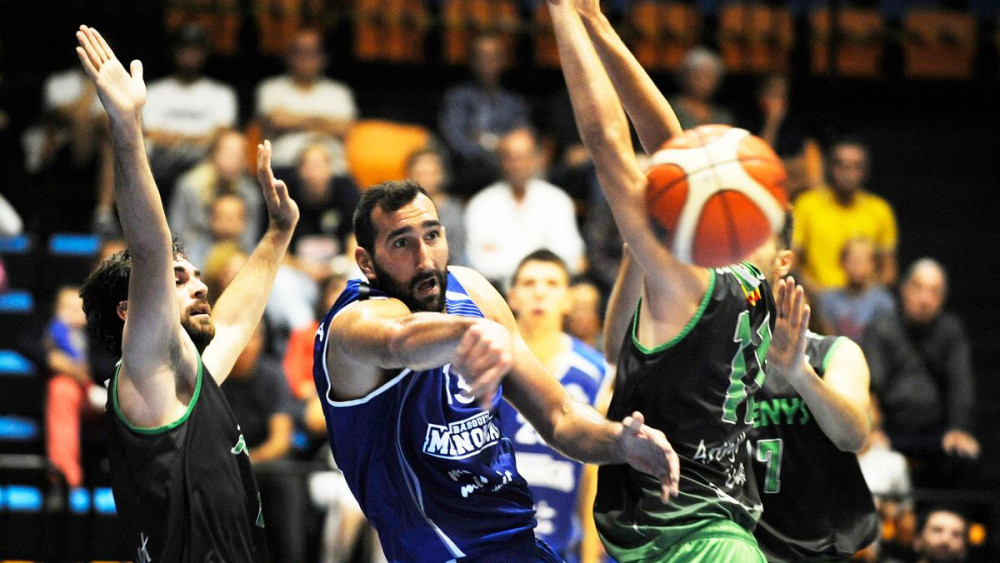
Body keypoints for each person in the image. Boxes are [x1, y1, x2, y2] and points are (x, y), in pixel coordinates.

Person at [312, 179, 680, 561]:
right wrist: (472, 332)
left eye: (432, 235)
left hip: (522, 545)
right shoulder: (353, 323)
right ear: (366, 262)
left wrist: (619, 442)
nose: (424, 259)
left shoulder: (472, 291)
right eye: (402, 243)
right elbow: (400, 340)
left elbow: (560, 416)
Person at [550, 1, 799, 559]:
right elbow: (669, 145)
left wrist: (563, 10)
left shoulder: (693, 281)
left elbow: (609, 146)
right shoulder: (751, 283)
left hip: (693, 531)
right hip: (713, 524)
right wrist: (597, 21)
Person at [74, 26, 298, 561]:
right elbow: (149, 249)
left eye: (195, 275)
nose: (198, 285)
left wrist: (277, 232)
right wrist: (127, 129)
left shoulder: (187, 382)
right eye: (180, 280)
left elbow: (238, 322)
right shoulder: (145, 367)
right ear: (131, 311)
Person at [743, 219, 879, 561]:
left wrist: (799, 373)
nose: (737, 251)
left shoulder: (835, 352)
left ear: (782, 261)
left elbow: (854, 436)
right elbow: (615, 348)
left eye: (751, 239)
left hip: (813, 547)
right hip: (735, 544)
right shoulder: (708, 354)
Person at [500, 250, 609, 563]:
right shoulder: (487, 364)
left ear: (566, 300)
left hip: (562, 547)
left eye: (551, 283)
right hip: (497, 543)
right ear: (512, 297)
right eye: (529, 282)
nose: (540, 291)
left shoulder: (596, 373)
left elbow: (594, 479)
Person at [862, 259, 980, 487]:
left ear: (942, 298)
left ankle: (949, 520)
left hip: (936, 432)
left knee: (966, 457)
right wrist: (873, 429)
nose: (925, 299)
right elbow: (870, 387)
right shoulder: (881, 328)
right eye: (918, 288)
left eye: (934, 292)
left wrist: (959, 428)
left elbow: (961, 385)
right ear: (904, 289)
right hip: (889, 431)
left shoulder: (951, 331)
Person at [464, 127, 585, 285]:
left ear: (534, 159)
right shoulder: (481, 204)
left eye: (523, 157)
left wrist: (506, 255)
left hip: (550, 289)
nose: (517, 164)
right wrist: (535, 257)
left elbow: (571, 255)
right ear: (502, 161)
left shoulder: (557, 200)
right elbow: (477, 260)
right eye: (510, 157)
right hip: (497, 291)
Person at [143, 24, 238, 202]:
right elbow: (150, 133)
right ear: (174, 52)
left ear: (205, 53)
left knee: (228, 150)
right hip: (160, 160)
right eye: (184, 49)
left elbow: (222, 134)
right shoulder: (154, 91)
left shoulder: (221, 93)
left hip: (204, 160)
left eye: (195, 49)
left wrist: (177, 138)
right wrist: (195, 138)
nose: (190, 54)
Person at [792, 137, 898, 292]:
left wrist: (865, 297)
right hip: (815, 298)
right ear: (830, 168)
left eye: (856, 166)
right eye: (841, 165)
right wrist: (816, 293)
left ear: (865, 171)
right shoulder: (806, 205)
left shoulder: (880, 210)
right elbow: (792, 261)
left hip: (864, 302)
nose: (848, 173)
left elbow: (889, 271)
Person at [439, 33, 531, 196]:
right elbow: (454, 138)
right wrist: (490, 149)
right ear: (472, 61)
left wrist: (483, 139)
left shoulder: (514, 103)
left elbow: (521, 137)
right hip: (465, 166)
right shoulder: (456, 97)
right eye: (481, 57)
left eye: (494, 57)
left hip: (504, 164)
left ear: (503, 61)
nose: (487, 63)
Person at [255, 27, 358, 172]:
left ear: (323, 57)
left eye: (313, 52)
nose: (306, 58)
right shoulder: (270, 88)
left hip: (333, 170)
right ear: (288, 56)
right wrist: (322, 122)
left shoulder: (339, 92)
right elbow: (276, 120)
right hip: (285, 167)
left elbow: (344, 128)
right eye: (300, 52)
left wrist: (295, 120)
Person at [168, 129, 264, 267]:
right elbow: (177, 233)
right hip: (195, 249)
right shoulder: (190, 186)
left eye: (238, 154)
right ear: (213, 154)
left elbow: (249, 240)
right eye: (227, 153)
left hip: (235, 251)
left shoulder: (251, 194)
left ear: (245, 160)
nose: (232, 160)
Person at [816, 237, 895, 342]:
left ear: (873, 264)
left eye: (863, 259)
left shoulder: (883, 301)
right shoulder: (828, 299)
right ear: (842, 262)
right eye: (853, 259)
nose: (858, 265)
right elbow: (826, 341)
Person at [406, 147, 467, 266]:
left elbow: (458, 254)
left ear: (441, 175)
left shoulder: (455, 212)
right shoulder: (400, 210)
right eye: (420, 174)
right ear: (409, 176)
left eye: (430, 173)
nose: (425, 179)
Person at [670, 47, 734, 130]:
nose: (704, 81)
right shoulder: (672, 110)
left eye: (709, 76)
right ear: (686, 75)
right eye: (698, 75)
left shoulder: (723, 117)